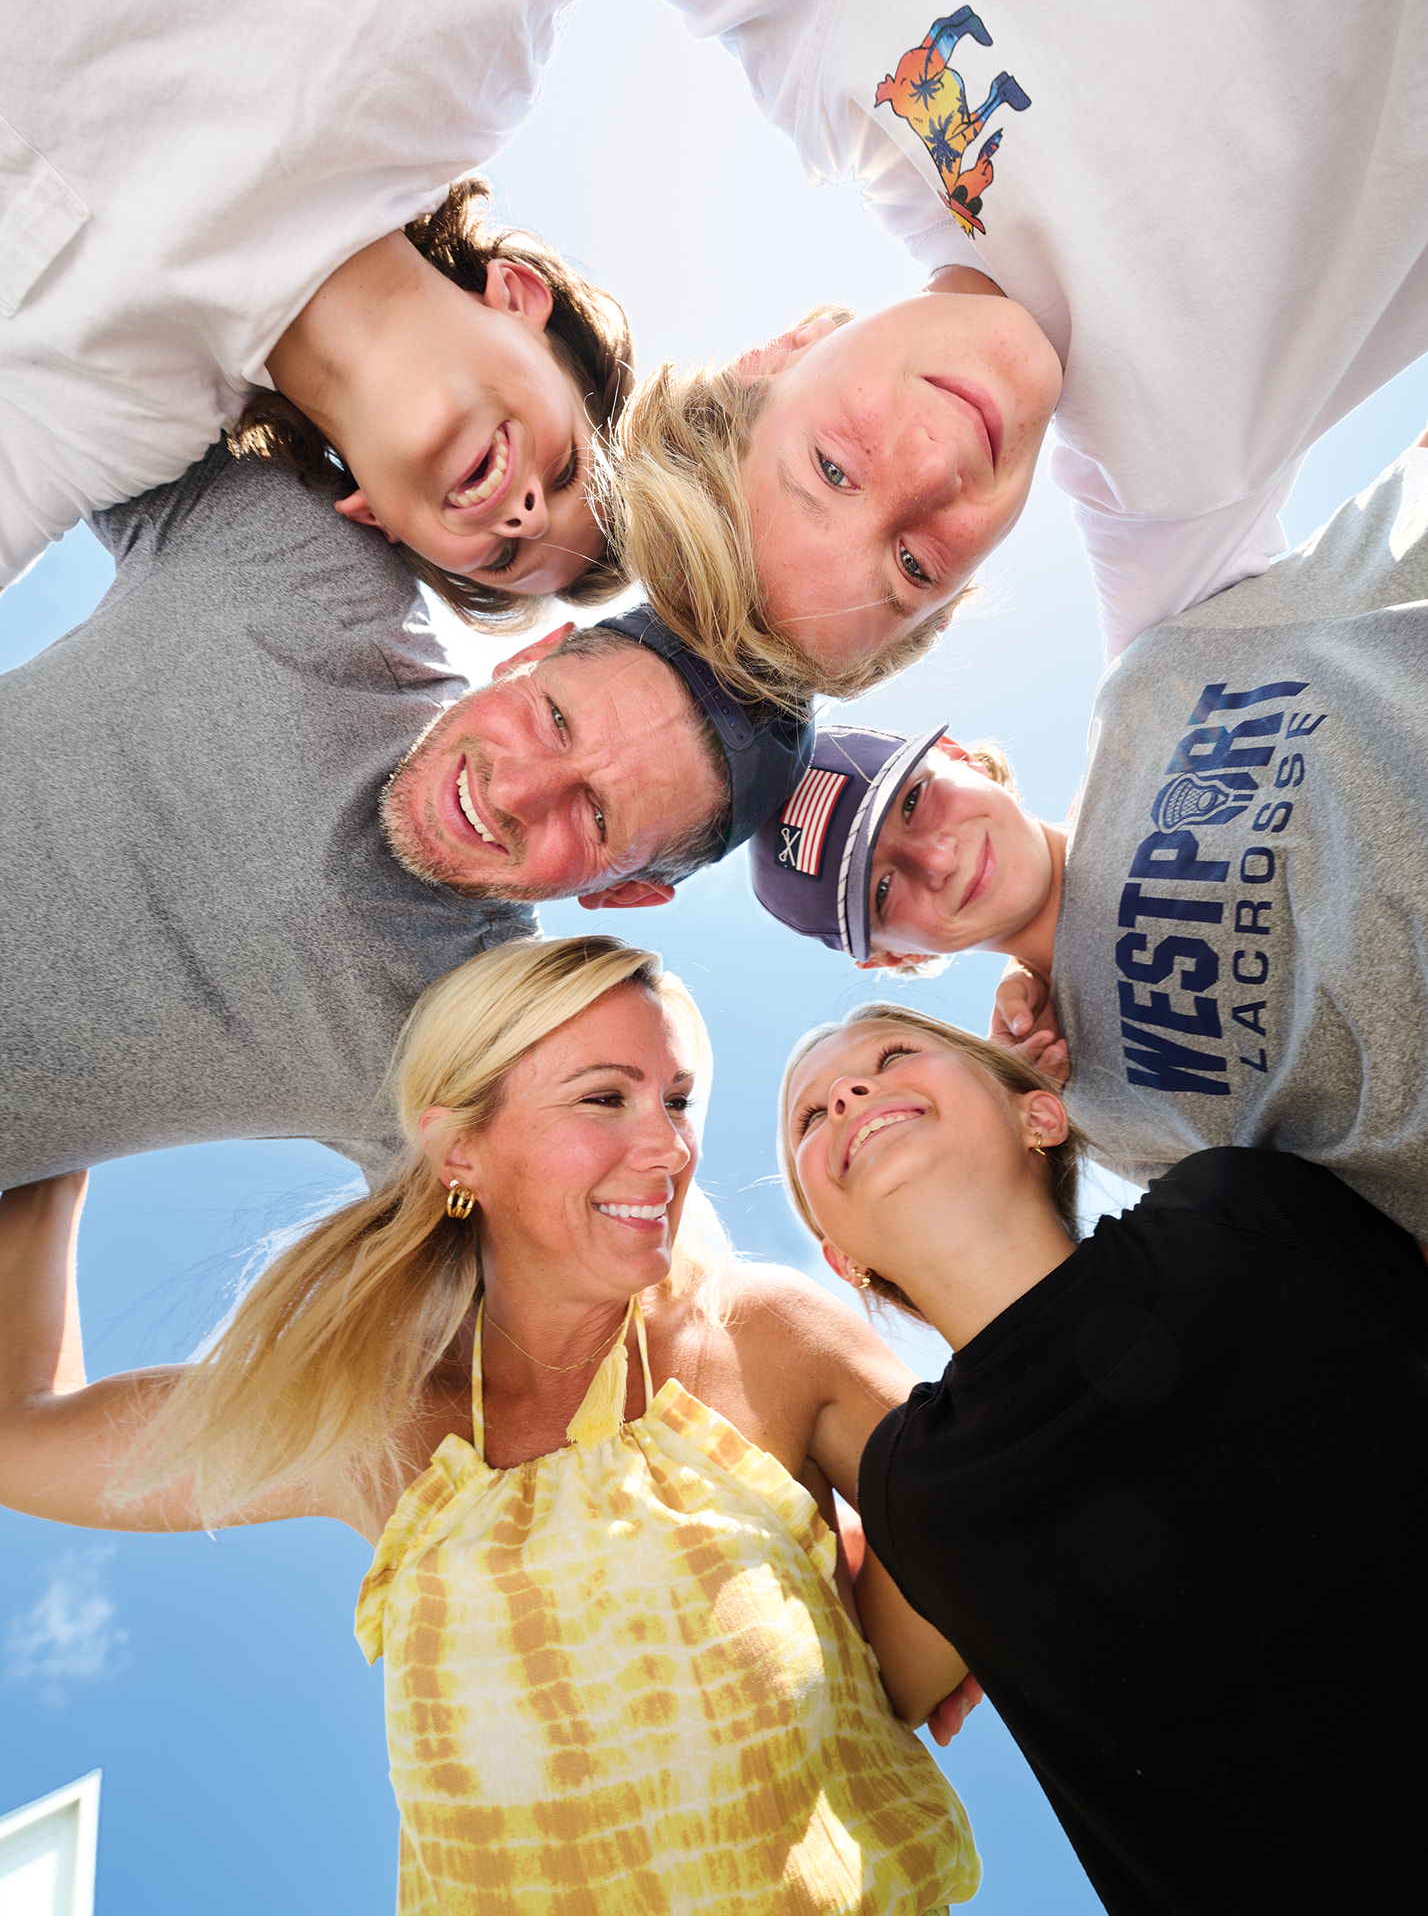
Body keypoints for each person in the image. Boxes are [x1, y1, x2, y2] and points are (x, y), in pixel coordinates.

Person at [0, 936, 980, 1913]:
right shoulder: (373, 1426)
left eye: (677, 1100)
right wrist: (66, 1097)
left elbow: (972, 1540)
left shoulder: (766, 1333)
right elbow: (16, 1435)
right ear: (459, 1146)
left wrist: (927, 1592)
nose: (672, 1147)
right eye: (607, 1097)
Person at [610, 0, 1428, 700]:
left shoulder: (833, 32)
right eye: (914, 568)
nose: (934, 468)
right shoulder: (1171, 494)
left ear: (783, 352)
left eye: (833, 469)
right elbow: (1181, 737)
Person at [0, 447, 810, 1188]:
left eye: (595, 814)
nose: (516, 790)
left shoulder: (469, 1036)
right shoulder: (311, 571)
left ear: (622, 895)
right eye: (556, 719)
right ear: (532, 653)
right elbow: (92, 352)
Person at [779, 1001, 1428, 1912]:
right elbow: (836, 1693)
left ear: (1037, 1115)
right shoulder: (912, 1491)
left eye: (894, 1057)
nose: (849, 1092)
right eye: (811, 1117)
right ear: (841, 1256)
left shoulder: (1238, 1208)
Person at [752, 431, 1428, 1241]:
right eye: (884, 888)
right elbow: (1346, 1248)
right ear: (893, 957)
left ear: (960, 756)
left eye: (912, 803)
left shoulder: (1148, 685)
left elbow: (1399, 524)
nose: (935, 856)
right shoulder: (1083, 1103)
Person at [0, 0, 635, 611]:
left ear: (379, 522)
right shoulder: (471, 42)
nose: (527, 518)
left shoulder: (116, 420)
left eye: (505, 559)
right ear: (518, 296)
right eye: (569, 468)